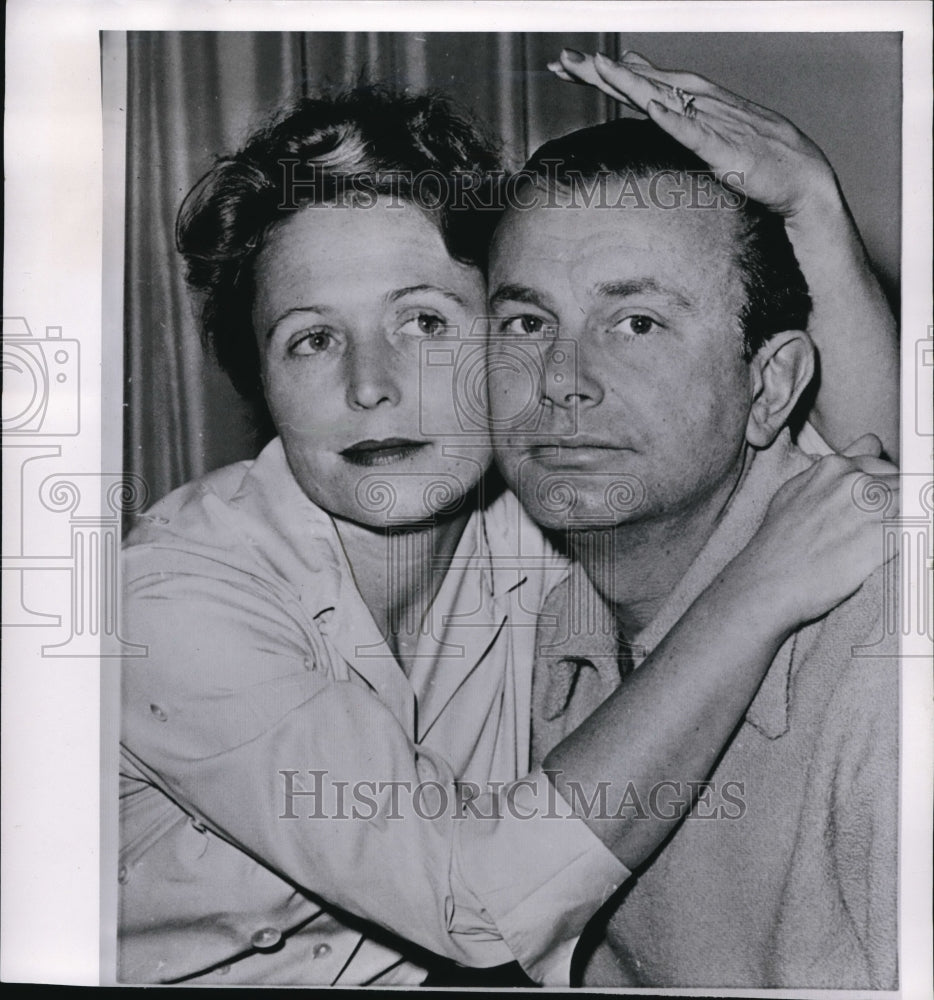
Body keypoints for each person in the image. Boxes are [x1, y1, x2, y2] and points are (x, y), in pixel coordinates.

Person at [118, 83, 895, 985]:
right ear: (261, 381)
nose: (371, 384)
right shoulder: (168, 601)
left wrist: (815, 211)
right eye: (310, 340)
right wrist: (759, 591)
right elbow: (478, 904)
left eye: (423, 322)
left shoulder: (534, 510)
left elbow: (866, 476)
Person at [485, 51, 900, 989]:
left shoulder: (891, 678)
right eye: (524, 323)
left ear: (773, 387)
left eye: (636, 324)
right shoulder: (552, 624)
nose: (559, 381)